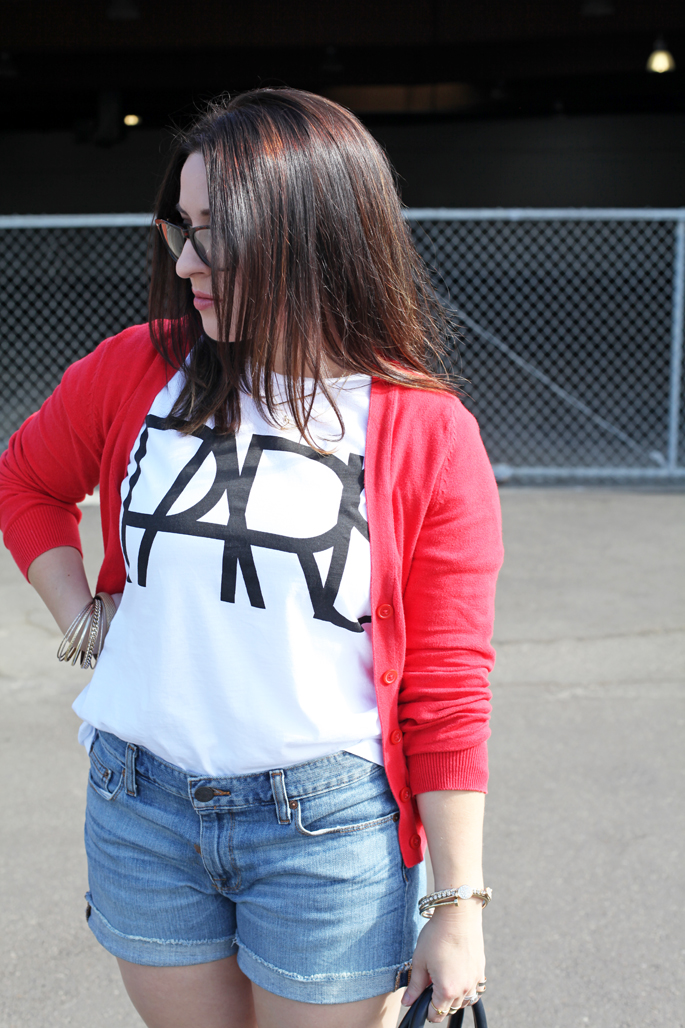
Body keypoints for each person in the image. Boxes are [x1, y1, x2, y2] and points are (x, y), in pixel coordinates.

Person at [0, 88, 503, 1028]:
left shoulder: (425, 433)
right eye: (180, 228)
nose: (185, 260)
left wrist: (456, 905)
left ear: (313, 236)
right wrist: (82, 619)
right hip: (142, 807)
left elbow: (446, 687)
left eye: (215, 234)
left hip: (326, 831)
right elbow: (25, 481)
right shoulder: (138, 367)